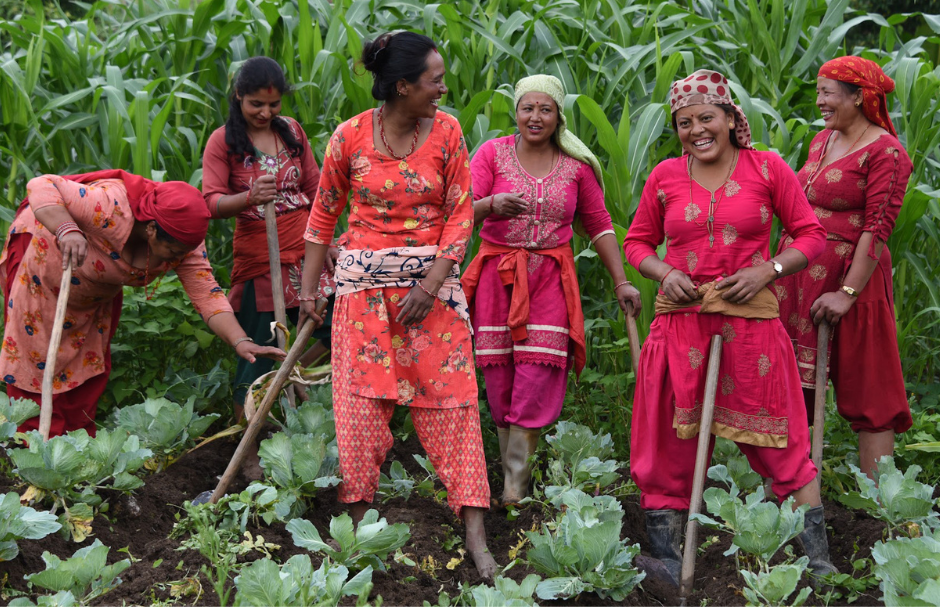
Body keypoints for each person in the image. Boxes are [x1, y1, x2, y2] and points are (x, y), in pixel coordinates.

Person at [623, 70, 836, 586]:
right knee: (667, 443)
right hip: (682, 325)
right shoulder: (666, 176)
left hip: (752, 328)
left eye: (706, 117)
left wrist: (769, 269)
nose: (696, 129)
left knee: (781, 440)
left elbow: (811, 236)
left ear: (730, 119)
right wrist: (666, 272)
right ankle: (669, 563)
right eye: (684, 121)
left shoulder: (767, 168)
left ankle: (818, 563)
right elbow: (637, 244)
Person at [299, 30, 496, 579]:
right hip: (362, 298)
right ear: (402, 86)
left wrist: (431, 283)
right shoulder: (350, 137)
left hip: (431, 298)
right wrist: (310, 292)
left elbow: (460, 213)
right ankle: (360, 536)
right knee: (360, 413)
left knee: (454, 408)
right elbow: (322, 219)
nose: (444, 87)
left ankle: (478, 538)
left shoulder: (449, 132)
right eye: (434, 79)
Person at [461, 74, 642, 506]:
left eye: (545, 109)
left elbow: (599, 226)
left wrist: (621, 280)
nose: (535, 117)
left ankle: (514, 489)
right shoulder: (491, 153)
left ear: (559, 115)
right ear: (516, 112)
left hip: (550, 280)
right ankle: (511, 479)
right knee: (500, 377)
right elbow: (461, 210)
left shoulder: (576, 167)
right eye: (528, 108)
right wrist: (491, 206)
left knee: (535, 377)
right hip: (497, 277)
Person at [0, 171, 284, 437]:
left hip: (94, 291)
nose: (175, 260)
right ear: (150, 229)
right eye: (172, 251)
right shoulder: (110, 206)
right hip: (43, 267)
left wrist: (240, 341)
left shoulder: (185, 244)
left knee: (85, 362)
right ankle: (33, 443)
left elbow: (206, 295)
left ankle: (73, 444)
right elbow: (42, 184)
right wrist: (66, 229)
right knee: (37, 357)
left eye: (183, 253)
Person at [776, 57, 913, 480]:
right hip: (801, 280)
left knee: (868, 387)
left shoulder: (886, 152)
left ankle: (879, 503)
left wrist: (847, 294)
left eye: (828, 93)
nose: (819, 102)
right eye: (818, 92)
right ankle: (789, 487)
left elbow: (876, 230)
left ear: (859, 96)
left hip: (853, 281)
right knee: (793, 387)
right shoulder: (822, 141)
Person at [202, 56, 335, 425]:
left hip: (306, 247)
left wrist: (329, 242)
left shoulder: (291, 131)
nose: (265, 112)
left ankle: (284, 376)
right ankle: (246, 434)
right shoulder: (224, 142)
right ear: (238, 97)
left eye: (273, 104)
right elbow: (210, 202)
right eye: (255, 104)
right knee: (258, 349)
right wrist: (249, 198)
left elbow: (315, 188)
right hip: (262, 255)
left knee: (334, 324)